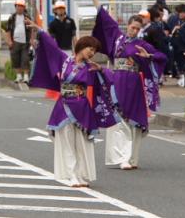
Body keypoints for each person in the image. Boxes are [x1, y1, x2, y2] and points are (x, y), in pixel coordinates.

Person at [85, 0, 167, 170]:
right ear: (127, 26)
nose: (134, 31)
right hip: (116, 81)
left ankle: (131, 158)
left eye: (138, 28)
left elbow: (162, 57)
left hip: (133, 84)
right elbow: (104, 17)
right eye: (132, 27)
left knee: (133, 121)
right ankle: (119, 156)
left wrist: (148, 56)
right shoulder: (117, 37)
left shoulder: (142, 45)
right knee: (118, 120)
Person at [29, 22, 119, 188]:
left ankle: (81, 174)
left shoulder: (90, 67)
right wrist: (39, 29)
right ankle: (71, 175)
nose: (92, 53)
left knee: (82, 144)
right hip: (64, 106)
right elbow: (51, 46)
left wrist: (101, 70)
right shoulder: (65, 61)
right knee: (68, 142)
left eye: (94, 51)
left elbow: (112, 78)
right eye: (90, 49)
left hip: (82, 107)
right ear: (82, 46)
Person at [6, 0, 33, 83]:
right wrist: (9, 41)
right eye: (18, 6)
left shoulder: (27, 17)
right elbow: (8, 30)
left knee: (25, 59)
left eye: (21, 6)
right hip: (15, 41)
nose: (19, 8)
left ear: (24, 7)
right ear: (15, 7)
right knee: (15, 59)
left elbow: (32, 29)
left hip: (26, 42)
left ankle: (26, 77)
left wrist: (32, 39)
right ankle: (18, 76)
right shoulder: (12, 17)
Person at [167, 4, 185, 80]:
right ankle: (177, 75)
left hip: (184, 47)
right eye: (180, 12)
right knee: (176, 62)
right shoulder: (178, 22)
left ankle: (184, 77)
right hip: (176, 46)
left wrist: (180, 29)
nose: (181, 14)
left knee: (183, 64)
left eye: (183, 12)